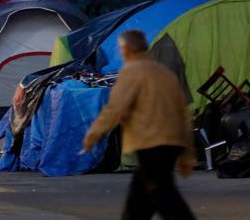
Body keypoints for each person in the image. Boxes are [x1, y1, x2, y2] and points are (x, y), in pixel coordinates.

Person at [83, 30, 196, 220]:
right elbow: (183, 113)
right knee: (140, 197)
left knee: (163, 195)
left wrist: (93, 134)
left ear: (125, 49)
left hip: (151, 142)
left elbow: (115, 108)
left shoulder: (131, 72)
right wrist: (187, 152)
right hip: (172, 142)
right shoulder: (165, 73)